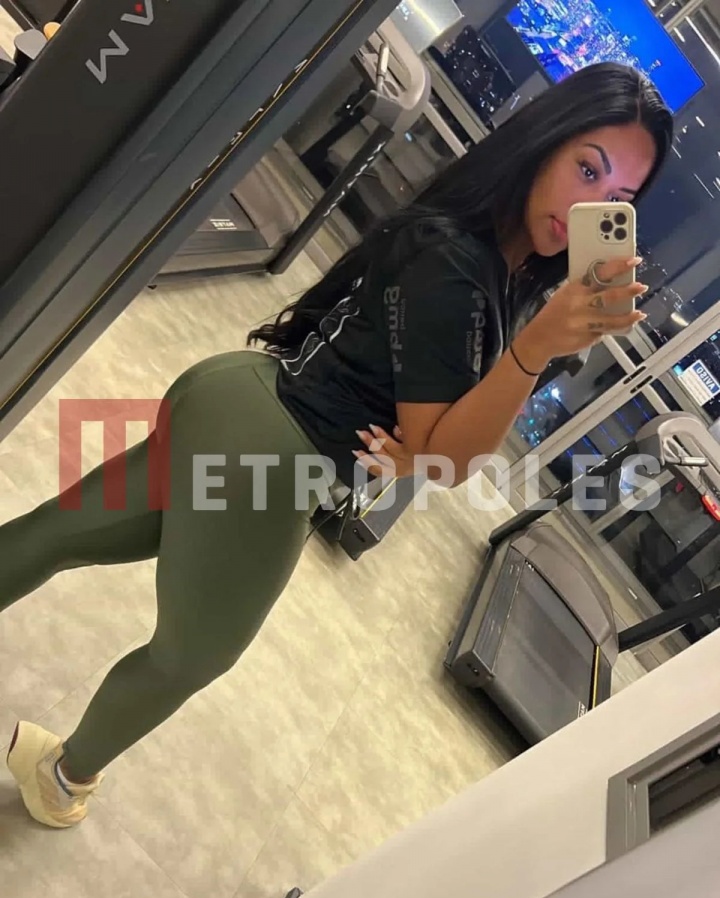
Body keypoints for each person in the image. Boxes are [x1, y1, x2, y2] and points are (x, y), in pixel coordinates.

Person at [2, 61, 672, 829]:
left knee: (62, 533)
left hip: (240, 399)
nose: (592, 203)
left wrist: (448, 423)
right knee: (193, 655)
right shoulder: (462, 264)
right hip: (274, 455)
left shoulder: (496, 261)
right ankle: (61, 777)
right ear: (544, 142)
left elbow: (433, 435)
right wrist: (529, 356)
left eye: (618, 199)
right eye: (587, 168)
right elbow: (448, 459)